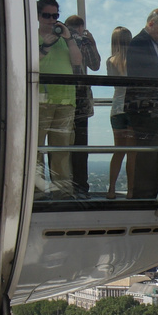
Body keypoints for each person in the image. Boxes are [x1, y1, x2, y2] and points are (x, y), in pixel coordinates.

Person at [123, 7, 158, 199]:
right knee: (147, 154)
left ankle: (151, 192)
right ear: (151, 23)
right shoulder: (139, 42)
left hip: (154, 108)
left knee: (154, 153)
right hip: (145, 108)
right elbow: (143, 73)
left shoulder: (149, 43)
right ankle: (144, 195)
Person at [34, 0, 83, 196]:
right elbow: (29, 61)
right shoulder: (30, 37)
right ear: (38, 16)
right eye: (47, 15)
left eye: (55, 16)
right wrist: (45, 45)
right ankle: (36, 193)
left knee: (61, 151)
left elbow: (78, 62)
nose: (51, 20)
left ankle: (62, 193)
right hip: (39, 100)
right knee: (35, 149)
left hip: (65, 100)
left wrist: (69, 38)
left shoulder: (65, 39)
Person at [64, 13, 100, 194]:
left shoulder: (59, 39)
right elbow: (95, 65)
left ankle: (62, 186)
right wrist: (91, 42)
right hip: (81, 101)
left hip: (61, 98)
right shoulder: (84, 41)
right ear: (81, 27)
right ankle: (80, 187)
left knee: (60, 145)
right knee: (80, 146)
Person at [103, 26, 132, 199]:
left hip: (116, 109)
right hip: (131, 108)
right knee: (133, 152)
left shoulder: (110, 61)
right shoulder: (133, 61)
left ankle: (111, 189)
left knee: (118, 150)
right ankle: (131, 191)